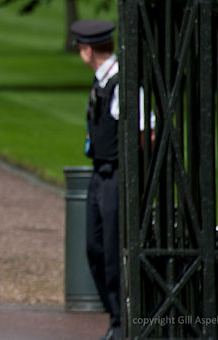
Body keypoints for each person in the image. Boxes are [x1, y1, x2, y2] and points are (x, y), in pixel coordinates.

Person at [72, 19, 121, 340]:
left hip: (117, 175)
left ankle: (121, 321)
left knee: (113, 251)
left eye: (80, 47)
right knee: (95, 247)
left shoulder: (122, 82)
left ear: (88, 49)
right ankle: (116, 315)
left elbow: (149, 132)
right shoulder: (102, 80)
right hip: (99, 172)